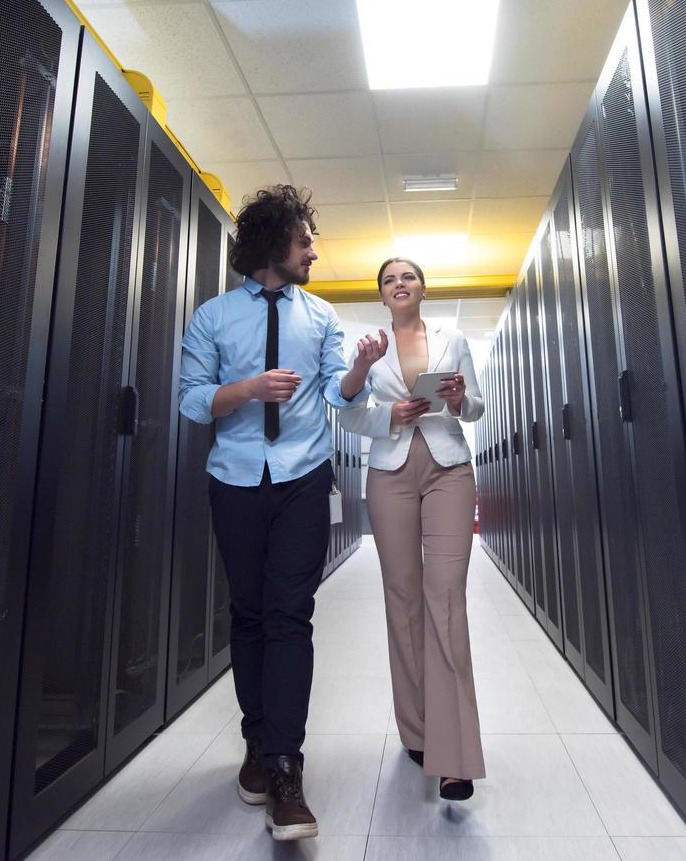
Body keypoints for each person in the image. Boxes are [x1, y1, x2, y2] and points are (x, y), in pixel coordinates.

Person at [177, 185, 386, 841]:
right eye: (304, 241)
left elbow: (338, 396)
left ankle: (286, 769)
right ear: (272, 245)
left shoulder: (320, 316)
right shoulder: (212, 317)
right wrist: (245, 389)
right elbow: (189, 402)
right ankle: (256, 742)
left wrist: (357, 370)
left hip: (302, 477)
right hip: (234, 479)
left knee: (289, 614)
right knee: (247, 612)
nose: (313, 252)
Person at [338, 257, 486, 800]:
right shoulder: (367, 348)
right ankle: (417, 730)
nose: (399, 285)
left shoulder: (453, 338)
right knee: (402, 599)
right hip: (390, 474)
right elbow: (350, 415)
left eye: (408, 277)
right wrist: (389, 415)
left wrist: (456, 399)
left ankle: (454, 756)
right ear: (381, 296)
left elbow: (475, 406)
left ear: (424, 287)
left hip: (449, 468)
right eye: (388, 280)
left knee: (444, 597)